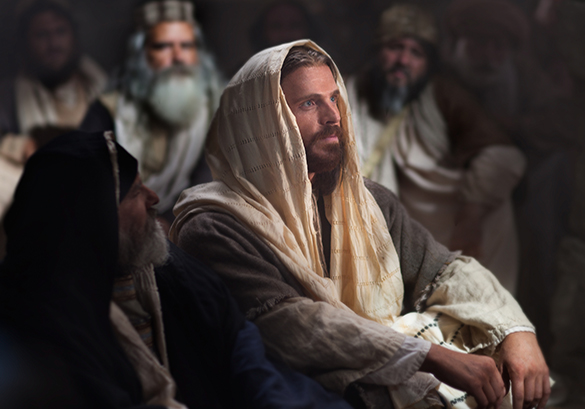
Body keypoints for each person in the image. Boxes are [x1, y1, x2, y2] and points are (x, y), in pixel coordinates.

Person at [170, 41, 550, 409]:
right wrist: (427, 355)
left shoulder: (367, 200)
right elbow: (290, 325)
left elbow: (445, 271)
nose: (332, 116)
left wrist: (516, 331)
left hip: (382, 377)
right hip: (304, 396)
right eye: (308, 104)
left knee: (477, 329)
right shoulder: (216, 226)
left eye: (334, 98)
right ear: (262, 122)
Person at [0, 130, 352, 409]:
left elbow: (236, 341)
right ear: (96, 218)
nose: (153, 198)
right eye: (135, 192)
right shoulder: (39, 321)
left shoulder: (165, 269)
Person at [345, 4, 526, 293]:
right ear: (377, 51)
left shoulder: (444, 95)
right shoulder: (346, 92)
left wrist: (471, 214)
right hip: (358, 213)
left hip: (431, 222)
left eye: (416, 53)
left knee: (497, 211)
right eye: (395, 47)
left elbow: (501, 154)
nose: (403, 60)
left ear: (428, 63)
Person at [442, 0, 576, 357]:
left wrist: (514, 126)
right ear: (457, 44)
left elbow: (562, 121)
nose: (488, 56)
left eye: (497, 46)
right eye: (478, 44)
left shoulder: (522, 74)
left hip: (520, 193)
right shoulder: (439, 78)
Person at [81, 0, 223, 225]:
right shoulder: (108, 111)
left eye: (187, 45)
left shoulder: (216, 112)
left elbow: (209, 188)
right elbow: (90, 185)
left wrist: (170, 223)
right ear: (141, 53)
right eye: (163, 46)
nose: (178, 57)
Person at [0, 0, 106, 218]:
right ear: (25, 43)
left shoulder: (103, 91)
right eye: (42, 35)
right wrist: (18, 146)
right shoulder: (8, 98)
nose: (53, 43)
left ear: (74, 37)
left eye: (60, 32)